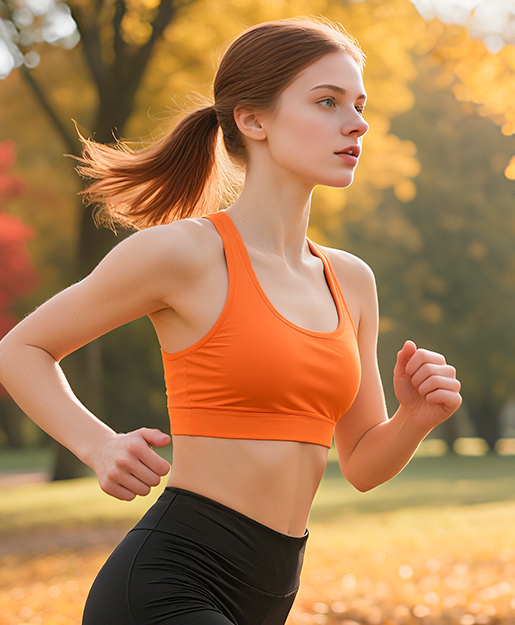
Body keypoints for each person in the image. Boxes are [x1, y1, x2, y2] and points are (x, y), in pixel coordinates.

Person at [0, 17, 462, 624]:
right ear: (253, 119)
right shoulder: (183, 255)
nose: (356, 122)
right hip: (169, 585)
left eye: (358, 104)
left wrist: (416, 418)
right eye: (326, 102)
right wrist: (98, 444)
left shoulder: (350, 280)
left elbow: (363, 463)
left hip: (267, 596)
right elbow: (21, 348)